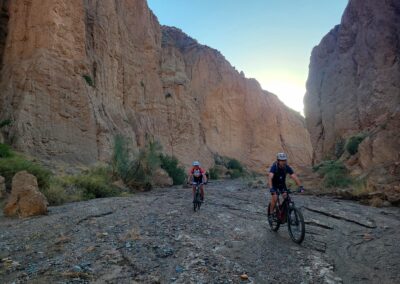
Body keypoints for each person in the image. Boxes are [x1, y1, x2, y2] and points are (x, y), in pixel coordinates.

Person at [267, 153, 303, 221]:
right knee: (275, 198)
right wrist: (271, 188)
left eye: (284, 160)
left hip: (282, 185)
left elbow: (294, 176)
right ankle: (271, 214)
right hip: (274, 185)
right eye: (281, 160)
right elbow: (270, 177)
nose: (283, 162)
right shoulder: (274, 167)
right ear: (278, 161)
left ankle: (284, 213)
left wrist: (300, 186)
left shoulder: (286, 167)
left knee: (286, 197)